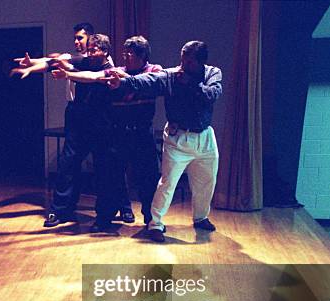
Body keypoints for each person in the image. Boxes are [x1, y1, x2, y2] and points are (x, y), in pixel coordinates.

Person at [11, 24, 135, 227]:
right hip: (79, 119)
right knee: (68, 163)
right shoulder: (84, 59)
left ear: (102, 50)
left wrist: (68, 73)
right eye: (85, 45)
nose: (85, 48)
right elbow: (54, 61)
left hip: (102, 121)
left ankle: (111, 213)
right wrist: (32, 64)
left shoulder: (109, 67)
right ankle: (61, 210)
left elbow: (91, 77)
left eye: (89, 45)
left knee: (106, 168)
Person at [107, 40, 222, 242]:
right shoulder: (171, 76)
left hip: (204, 137)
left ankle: (201, 217)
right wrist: (123, 82)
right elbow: (148, 81)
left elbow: (212, 94)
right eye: (182, 61)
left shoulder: (212, 73)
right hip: (178, 137)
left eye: (189, 63)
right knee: (167, 183)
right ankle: (155, 224)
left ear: (200, 62)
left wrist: (190, 83)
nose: (183, 66)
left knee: (207, 182)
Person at [53, 36, 162, 228]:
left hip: (142, 134)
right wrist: (68, 75)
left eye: (130, 54)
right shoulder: (116, 71)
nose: (126, 57)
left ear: (142, 55)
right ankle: (104, 218)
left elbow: (152, 83)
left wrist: (127, 81)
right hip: (118, 134)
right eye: (125, 53)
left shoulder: (154, 70)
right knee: (109, 178)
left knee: (148, 179)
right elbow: (93, 76)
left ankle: (152, 221)